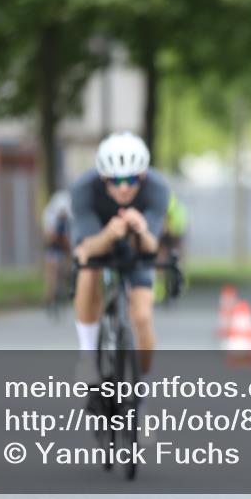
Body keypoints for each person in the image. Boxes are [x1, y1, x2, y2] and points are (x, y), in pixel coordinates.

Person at [70, 131, 170, 387]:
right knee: (87, 266)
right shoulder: (84, 188)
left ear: (143, 176)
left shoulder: (157, 188)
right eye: (116, 180)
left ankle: (143, 394)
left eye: (131, 179)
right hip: (96, 243)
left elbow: (151, 246)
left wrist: (140, 229)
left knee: (142, 318)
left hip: (136, 250)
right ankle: (88, 355)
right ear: (104, 178)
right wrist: (109, 233)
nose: (124, 187)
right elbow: (88, 247)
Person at [41, 189, 73, 308]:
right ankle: (49, 295)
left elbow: (72, 238)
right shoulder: (48, 214)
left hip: (66, 240)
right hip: (53, 242)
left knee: (71, 259)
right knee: (51, 268)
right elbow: (47, 237)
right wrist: (53, 237)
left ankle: (67, 280)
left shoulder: (70, 216)